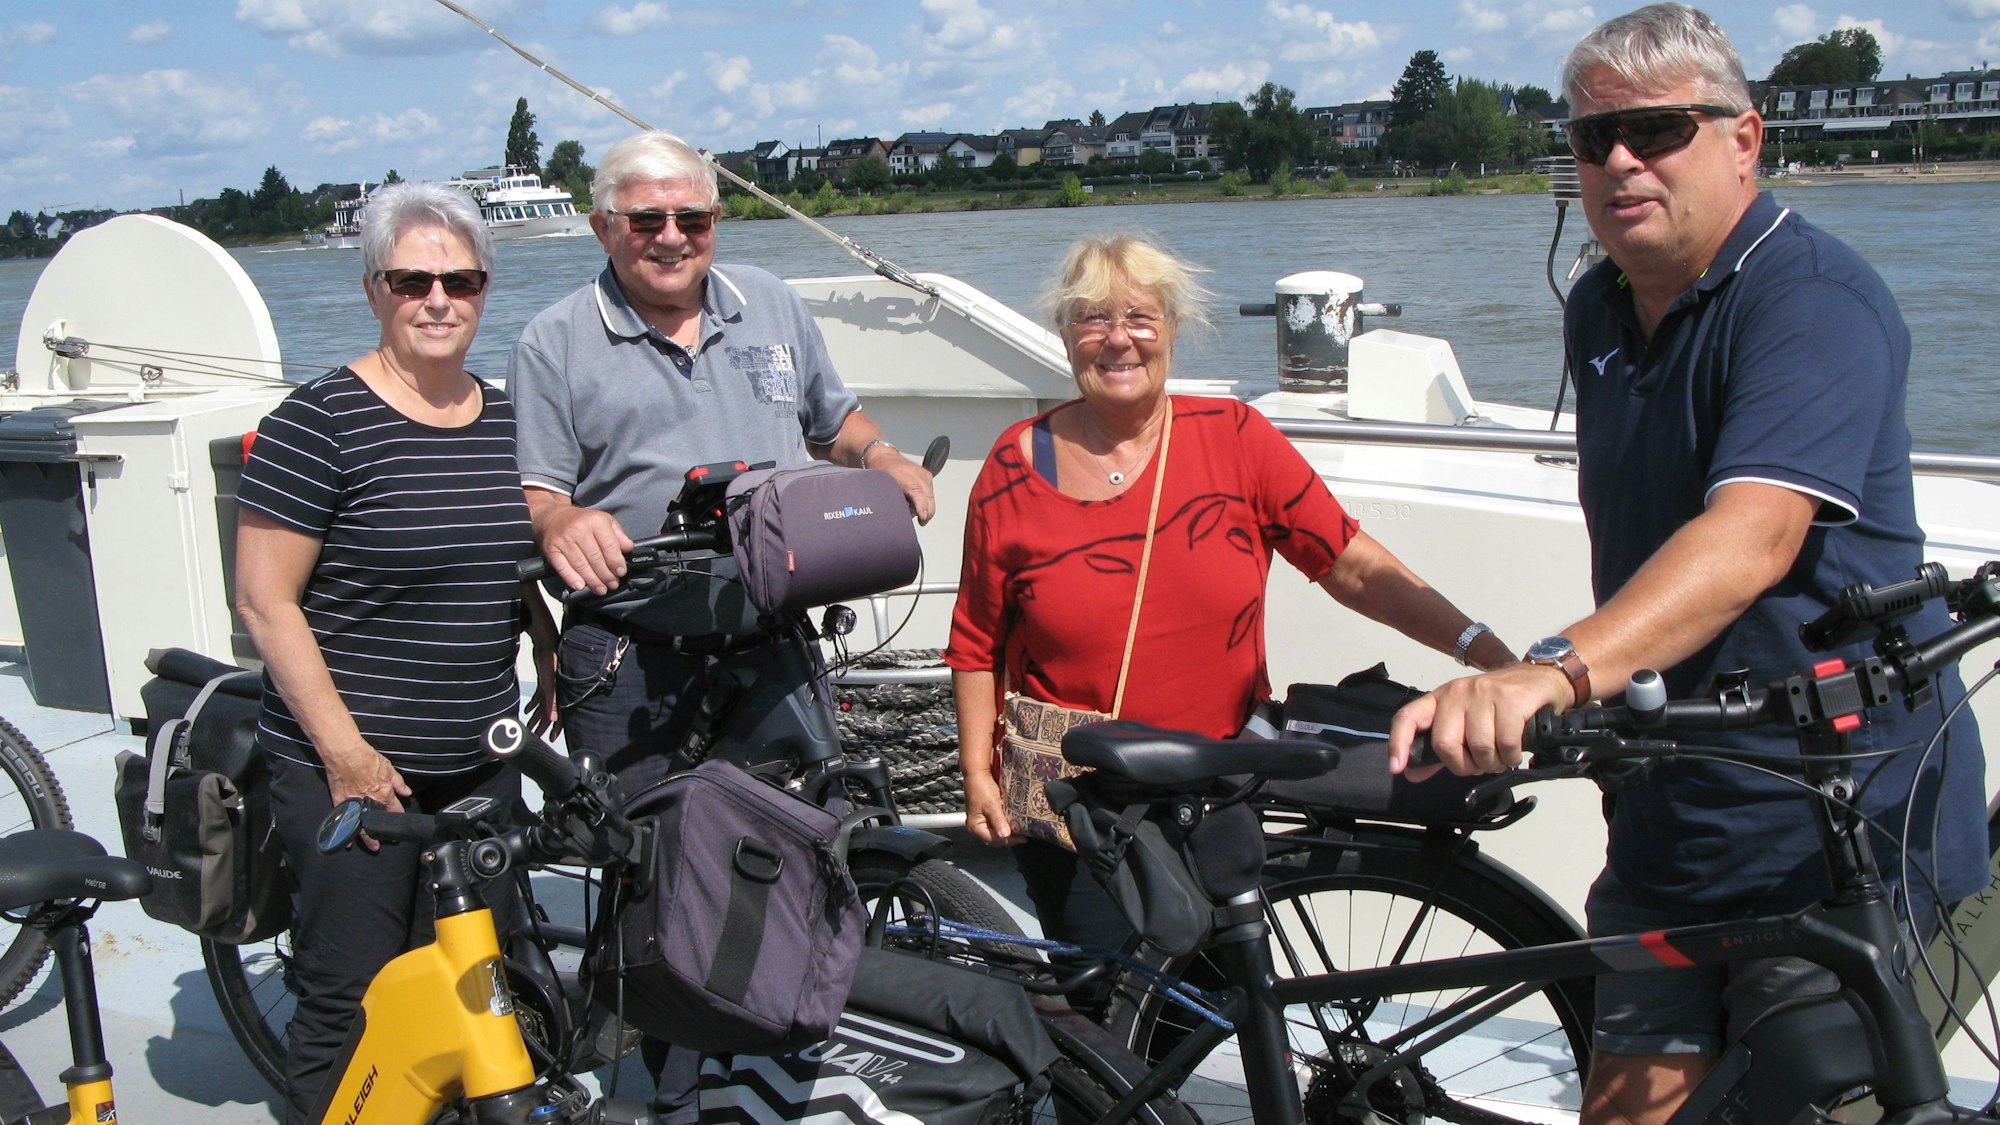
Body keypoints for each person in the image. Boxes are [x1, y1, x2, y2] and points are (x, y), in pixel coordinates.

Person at [1387, 7, 1987, 1123]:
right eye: (1589, 139)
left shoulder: (1809, 299)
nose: (1618, 160)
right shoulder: (1599, 302)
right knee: (1623, 1108)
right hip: (1673, 798)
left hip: (1831, 814)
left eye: (1658, 130)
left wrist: (1552, 671)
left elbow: (1751, 534)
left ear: (1744, 139)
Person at [506, 129, 934, 1125]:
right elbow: (538, 493)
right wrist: (561, 521)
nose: (669, 237)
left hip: (769, 632)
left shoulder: (772, 305)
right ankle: (667, 1093)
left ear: (715, 220)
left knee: (802, 846)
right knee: (652, 879)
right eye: (644, 218)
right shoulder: (552, 340)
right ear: (603, 224)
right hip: (631, 652)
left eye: (688, 217)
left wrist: (884, 459)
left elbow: (839, 421)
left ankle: (781, 1045)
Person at [945, 233, 1514, 961]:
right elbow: (976, 639)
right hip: (1078, 804)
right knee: (1108, 1016)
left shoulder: (1236, 441)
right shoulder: (1012, 464)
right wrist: (975, 773)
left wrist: (1480, 647)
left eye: (1140, 317)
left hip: (1215, 790)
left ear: (1174, 329)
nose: (1118, 339)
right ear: (1064, 334)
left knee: (1228, 1000)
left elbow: (1352, 565)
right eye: (1092, 318)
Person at [235, 181, 554, 1124]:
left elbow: (492, 549)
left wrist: (539, 626)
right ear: (375, 287)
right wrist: (345, 756)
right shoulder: (319, 422)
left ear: (487, 287)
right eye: (412, 278)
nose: (438, 299)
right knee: (350, 997)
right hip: (353, 770)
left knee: (478, 993)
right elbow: (266, 598)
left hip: (478, 768)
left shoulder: (508, 420)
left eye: (461, 279)